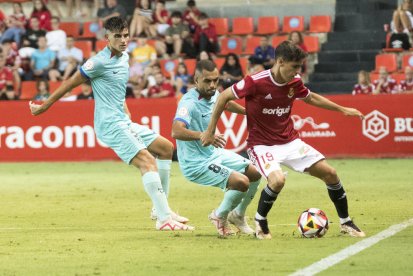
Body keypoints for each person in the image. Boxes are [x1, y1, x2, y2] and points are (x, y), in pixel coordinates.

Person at [29, 16, 193, 231]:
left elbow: (117, 93)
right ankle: (164, 219)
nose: (124, 40)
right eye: (118, 36)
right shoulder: (97, 62)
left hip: (123, 121)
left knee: (166, 148)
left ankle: (160, 208)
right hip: (110, 124)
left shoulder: (124, 58)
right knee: (146, 161)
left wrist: (127, 114)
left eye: (126, 35)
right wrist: (44, 106)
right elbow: (70, 83)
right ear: (107, 38)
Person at [201, 41, 366, 239]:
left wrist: (343, 109)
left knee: (330, 173)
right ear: (280, 62)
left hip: (290, 142)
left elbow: (310, 98)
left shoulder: (294, 82)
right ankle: (260, 221)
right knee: (277, 180)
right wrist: (210, 131)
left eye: (300, 67)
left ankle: (346, 222)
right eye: (295, 66)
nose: (298, 71)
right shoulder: (255, 81)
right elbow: (223, 97)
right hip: (261, 145)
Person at [172, 60, 262, 236]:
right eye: (207, 81)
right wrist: (203, 135)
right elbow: (176, 131)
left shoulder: (213, 94)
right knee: (241, 182)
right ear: (196, 79)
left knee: (255, 173)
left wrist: (248, 112)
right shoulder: (188, 103)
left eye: (216, 80)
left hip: (214, 154)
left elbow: (224, 103)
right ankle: (219, 216)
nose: (213, 85)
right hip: (196, 163)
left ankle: (238, 215)